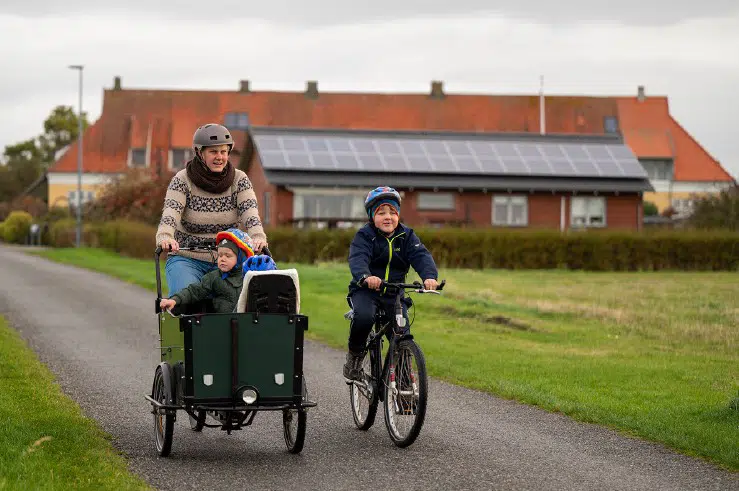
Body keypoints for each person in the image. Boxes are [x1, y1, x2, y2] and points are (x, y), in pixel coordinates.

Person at [155, 123, 268, 296]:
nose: (219, 157)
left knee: (246, 302)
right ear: (200, 153)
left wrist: (258, 236)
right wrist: (165, 236)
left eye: (223, 152)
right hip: (187, 258)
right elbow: (171, 213)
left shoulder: (240, 180)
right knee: (187, 298)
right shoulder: (182, 180)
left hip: (228, 259)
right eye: (213, 152)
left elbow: (250, 214)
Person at [343, 186, 439, 380]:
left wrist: (429, 276)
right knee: (364, 317)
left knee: (401, 332)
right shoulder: (364, 235)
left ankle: (404, 388)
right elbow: (358, 257)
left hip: (394, 294)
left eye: (393, 212)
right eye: (381, 213)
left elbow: (421, 255)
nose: (388, 217)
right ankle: (355, 356)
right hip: (366, 291)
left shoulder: (407, 236)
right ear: (372, 216)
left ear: (398, 215)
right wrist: (365, 276)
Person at [159, 228, 253, 314]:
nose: (222, 259)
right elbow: (194, 291)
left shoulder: (248, 277)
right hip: (222, 323)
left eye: (228, 256)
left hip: (246, 322)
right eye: (220, 255)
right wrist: (174, 300)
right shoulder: (215, 277)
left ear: (241, 258)